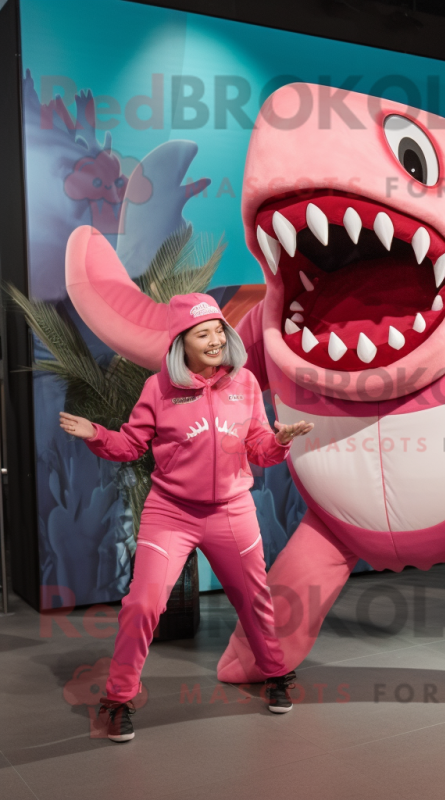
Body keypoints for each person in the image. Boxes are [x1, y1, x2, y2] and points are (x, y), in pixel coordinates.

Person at [59, 292, 313, 742]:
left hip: (232, 511)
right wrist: (95, 434)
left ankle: (275, 674)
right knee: (142, 604)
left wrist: (280, 441)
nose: (215, 340)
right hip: (171, 512)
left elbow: (259, 449)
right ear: (182, 343)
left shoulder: (245, 383)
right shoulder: (158, 389)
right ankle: (118, 699)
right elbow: (130, 445)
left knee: (254, 599)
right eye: (203, 334)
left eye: (219, 331)